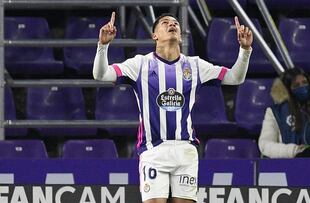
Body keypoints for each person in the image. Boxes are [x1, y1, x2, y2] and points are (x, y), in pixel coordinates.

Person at [93, 12, 253, 203]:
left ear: (180, 34)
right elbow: (101, 75)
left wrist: (245, 50)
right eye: (165, 23)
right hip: (153, 151)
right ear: (155, 35)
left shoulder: (195, 65)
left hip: (185, 150)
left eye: (175, 23)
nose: (172, 24)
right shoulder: (140, 64)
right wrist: (103, 46)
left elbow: (236, 78)